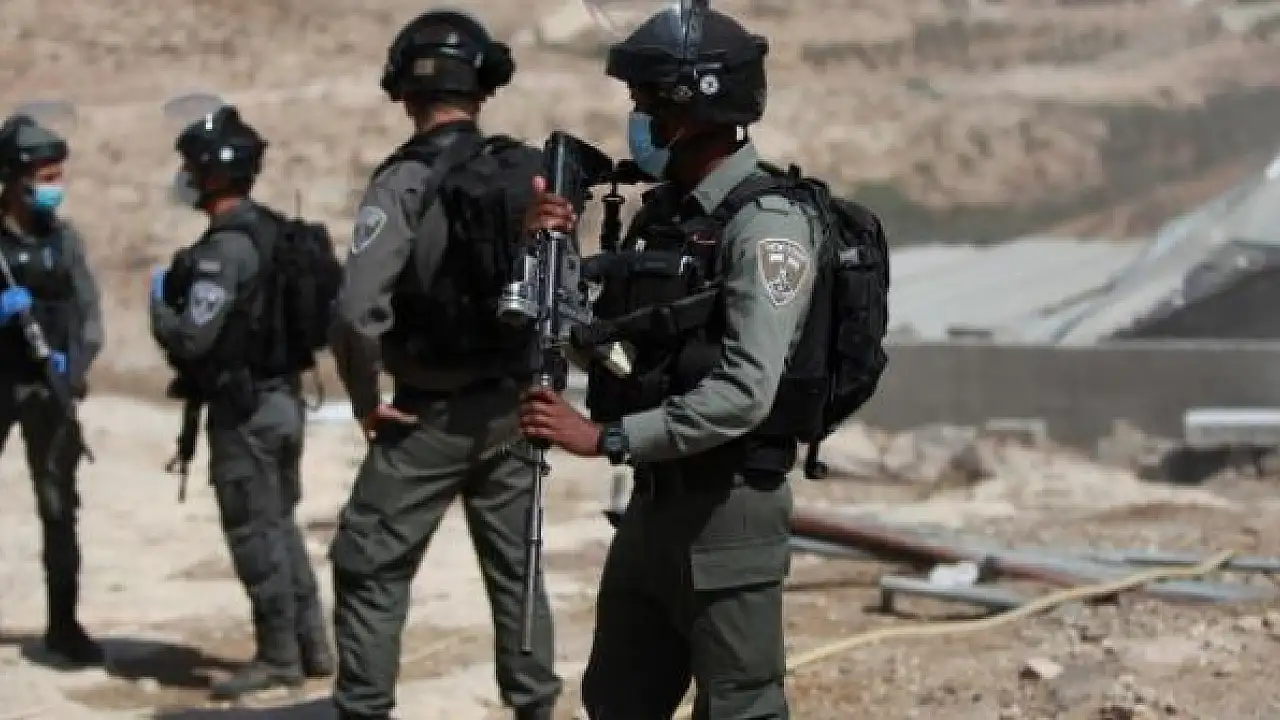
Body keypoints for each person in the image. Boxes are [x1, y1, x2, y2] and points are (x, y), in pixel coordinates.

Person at [519, 4, 829, 718]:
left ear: (695, 109)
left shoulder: (767, 226)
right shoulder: (664, 218)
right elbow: (616, 352)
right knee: (618, 699)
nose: (639, 121)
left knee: (739, 708)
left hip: (729, 512)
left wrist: (607, 438)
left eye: (649, 104)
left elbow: (746, 391)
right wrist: (553, 259)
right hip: (653, 504)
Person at [327, 10, 561, 720]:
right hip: (514, 408)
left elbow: (356, 311)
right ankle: (535, 707)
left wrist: (366, 400)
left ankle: (364, 708)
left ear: (404, 91)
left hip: (425, 413)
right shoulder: (526, 176)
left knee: (369, 564)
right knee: (518, 571)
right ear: (484, 88)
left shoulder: (405, 180)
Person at [149, 104, 334, 700]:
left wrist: (160, 307)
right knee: (281, 523)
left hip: (245, 411)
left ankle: (278, 658)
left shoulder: (223, 251)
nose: (185, 178)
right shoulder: (273, 231)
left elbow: (192, 338)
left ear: (211, 174)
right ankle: (314, 646)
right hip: (284, 402)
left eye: (191, 168)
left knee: (255, 532)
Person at [0, 112, 105, 666]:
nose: (53, 187)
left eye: (57, 176)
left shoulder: (63, 242)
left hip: (48, 389)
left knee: (59, 507)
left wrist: (73, 368)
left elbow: (89, 318)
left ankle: (63, 625)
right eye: (44, 178)